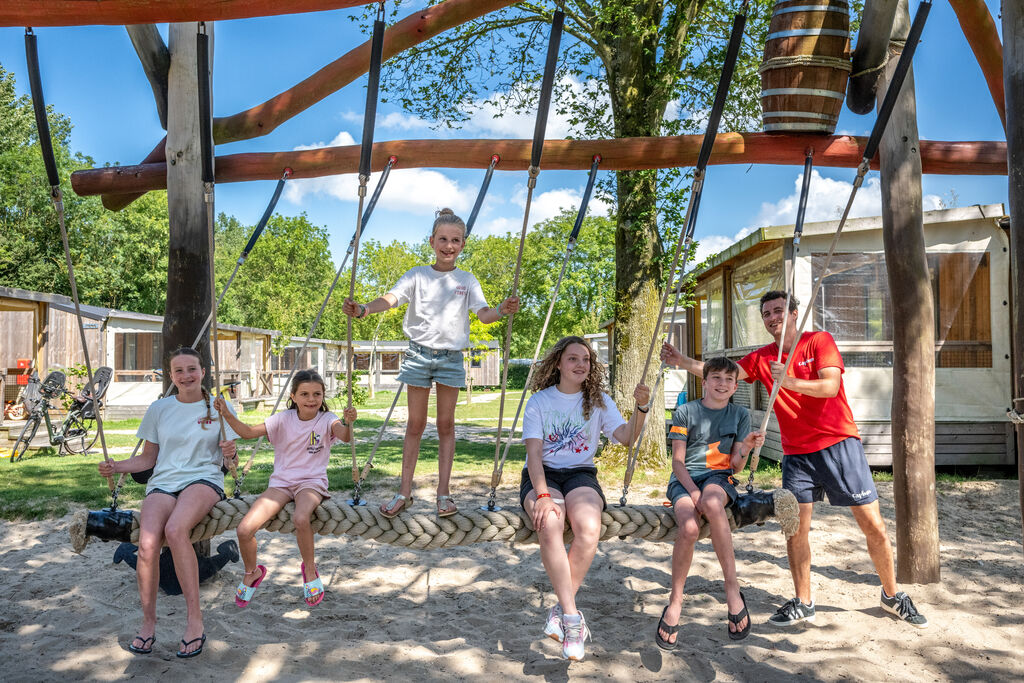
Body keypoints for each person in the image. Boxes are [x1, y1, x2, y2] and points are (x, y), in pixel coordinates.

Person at [660, 290, 928, 629]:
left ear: (794, 314)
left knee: (872, 524)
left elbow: (830, 387)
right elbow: (722, 375)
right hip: (797, 453)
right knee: (795, 527)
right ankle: (804, 601)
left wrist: (789, 381)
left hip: (838, 443)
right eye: (766, 313)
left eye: (778, 310)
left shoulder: (818, 341)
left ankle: (892, 595)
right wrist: (682, 361)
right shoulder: (763, 357)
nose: (772, 317)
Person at [342, 208, 519, 518]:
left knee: (446, 425)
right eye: (443, 239)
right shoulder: (417, 275)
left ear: (463, 244)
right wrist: (364, 310)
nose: (448, 246)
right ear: (431, 241)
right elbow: (391, 298)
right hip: (419, 355)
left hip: (451, 358)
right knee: (415, 425)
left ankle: (443, 494)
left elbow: (485, 315)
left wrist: (503, 310)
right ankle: (403, 492)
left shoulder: (467, 280)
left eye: (455, 240)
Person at [97, 347, 239, 658]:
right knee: (147, 544)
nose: (186, 376)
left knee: (175, 531)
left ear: (203, 371)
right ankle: (148, 623)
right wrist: (116, 466)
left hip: (204, 479)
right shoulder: (159, 408)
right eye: (179, 371)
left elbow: (233, 462)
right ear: (170, 376)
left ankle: (194, 622)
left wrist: (231, 454)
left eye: (192, 369)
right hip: (163, 482)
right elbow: (149, 458)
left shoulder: (219, 407)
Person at [521, 336, 650, 661]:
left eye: (586, 360)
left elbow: (625, 438)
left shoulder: (598, 401)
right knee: (549, 522)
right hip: (543, 475)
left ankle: (561, 611)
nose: (581, 365)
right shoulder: (539, 402)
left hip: (580, 474)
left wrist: (642, 408)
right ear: (559, 364)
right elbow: (534, 455)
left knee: (589, 529)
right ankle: (572, 619)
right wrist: (544, 495)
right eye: (573, 359)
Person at [213, 369, 356, 608]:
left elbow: (345, 436)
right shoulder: (283, 419)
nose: (311, 399)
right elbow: (247, 432)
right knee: (244, 529)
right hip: (281, 483)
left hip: (311, 483)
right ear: (293, 396)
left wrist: (349, 422)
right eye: (305, 394)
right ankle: (252, 572)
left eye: (317, 394)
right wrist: (226, 413)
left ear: (323, 395)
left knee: (301, 517)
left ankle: (309, 569)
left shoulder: (327, 419)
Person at [656, 356, 765, 649]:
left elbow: (735, 466)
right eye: (716, 378)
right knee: (689, 528)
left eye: (729, 380)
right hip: (686, 480)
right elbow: (678, 463)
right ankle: (675, 601)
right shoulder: (685, 411)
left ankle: (732, 588)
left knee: (714, 503)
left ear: (735, 386)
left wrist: (745, 448)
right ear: (704, 382)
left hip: (718, 480)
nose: (723, 384)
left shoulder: (740, 414)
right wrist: (692, 493)